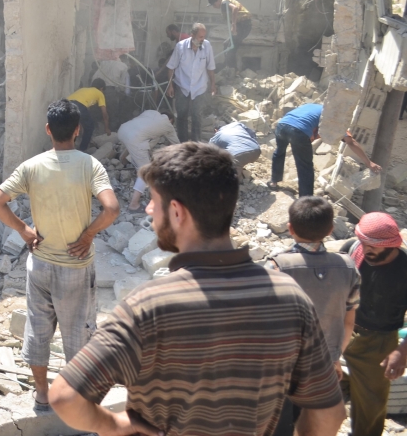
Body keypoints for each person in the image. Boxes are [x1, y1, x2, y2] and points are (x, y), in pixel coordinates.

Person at [49, 142, 346, 436]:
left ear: (177, 212)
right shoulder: (291, 299)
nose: (149, 209)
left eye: (154, 201)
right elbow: (329, 413)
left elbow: (65, 397)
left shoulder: (148, 307)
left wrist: (114, 425)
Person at [0, 99, 119, 411]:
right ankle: (75, 400)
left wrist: (24, 230)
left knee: (38, 329)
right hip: (76, 265)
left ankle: (42, 394)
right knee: (78, 334)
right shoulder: (90, 165)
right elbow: (112, 209)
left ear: (48, 130)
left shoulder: (31, 166)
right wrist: (88, 235)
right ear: (78, 130)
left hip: (40, 263)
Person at [266, 197, 360, 436]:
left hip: (283, 366)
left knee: (279, 426)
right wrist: (335, 358)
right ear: (330, 229)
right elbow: (349, 322)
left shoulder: (275, 267)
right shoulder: (348, 267)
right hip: (324, 366)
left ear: (290, 228)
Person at [339, 212, 407, 436]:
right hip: (340, 330)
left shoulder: (404, 269)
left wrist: (402, 351)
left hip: (377, 343)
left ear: (390, 244)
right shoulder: (353, 249)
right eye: (363, 242)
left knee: (370, 405)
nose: (365, 249)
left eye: (372, 245)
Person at [269, 103, 380, 196]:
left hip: (282, 125)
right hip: (299, 131)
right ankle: (306, 198)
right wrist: (369, 163)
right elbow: (351, 142)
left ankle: (273, 182)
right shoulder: (334, 118)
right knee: (305, 166)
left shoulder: (313, 106)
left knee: (279, 152)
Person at [117, 110, 179, 213]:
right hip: (135, 139)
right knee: (146, 172)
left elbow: (142, 132)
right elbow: (177, 145)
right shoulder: (168, 125)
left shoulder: (150, 112)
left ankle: (124, 159)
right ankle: (134, 205)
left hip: (122, 130)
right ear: (171, 120)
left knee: (136, 138)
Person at [166, 22, 216, 142]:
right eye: (200, 37)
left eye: (204, 37)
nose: (202, 39)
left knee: (197, 115)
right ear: (192, 35)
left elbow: (210, 67)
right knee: (181, 115)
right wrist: (170, 86)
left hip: (200, 87)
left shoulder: (207, 46)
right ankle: (182, 143)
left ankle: (196, 143)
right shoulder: (180, 47)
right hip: (182, 86)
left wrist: (213, 84)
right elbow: (171, 67)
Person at [209, 0, 253, 69]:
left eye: (214, 4)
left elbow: (235, 8)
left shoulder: (223, 3)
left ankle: (231, 69)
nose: (214, 7)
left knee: (231, 48)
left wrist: (233, 25)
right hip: (243, 25)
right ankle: (227, 65)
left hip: (243, 25)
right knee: (226, 44)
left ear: (218, 0)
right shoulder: (225, 3)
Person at [67, 79, 112, 151]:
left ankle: (66, 148)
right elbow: (104, 114)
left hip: (66, 104)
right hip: (79, 105)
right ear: (101, 88)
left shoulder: (83, 89)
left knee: (71, 127)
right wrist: (106, 128)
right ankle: (82, 149)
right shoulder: (99, 93)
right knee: (90, 127)